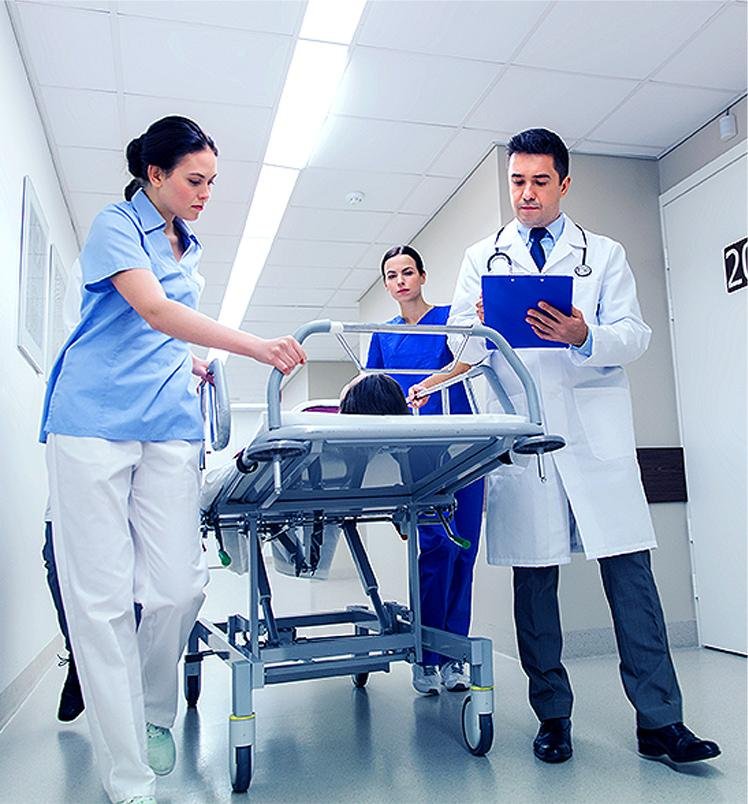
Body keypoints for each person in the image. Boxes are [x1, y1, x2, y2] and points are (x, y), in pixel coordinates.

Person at [417, 127, 720, 765]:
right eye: (517, 181)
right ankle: (552, 717)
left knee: (631, 578)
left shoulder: (601, 255)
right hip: (526, 439)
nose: (526, 194)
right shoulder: (483, 257)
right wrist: (476, 326)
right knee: (535, 585)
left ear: (564, 183)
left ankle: (661, 722)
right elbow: (461, 349)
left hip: (593, 436)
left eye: (539, 181)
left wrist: (584, 335)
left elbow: (634, 335)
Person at [40, 116, 306, 804]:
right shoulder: (115, 224)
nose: (206, 193)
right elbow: (153, 311)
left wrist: (191, 362)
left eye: (212, 181)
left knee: (179, 586)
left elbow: (159, 333)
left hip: (167, 422)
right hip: (94, 421)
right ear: (154, 175)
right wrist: (254, 346)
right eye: (194, 179)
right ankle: (129, 777)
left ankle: (153, 712)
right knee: (101, 603)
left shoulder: (189, 245)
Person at [366, 245, 484, 695]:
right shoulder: (383, 335)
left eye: (407, 272)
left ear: (422, 276)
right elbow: (374, 391)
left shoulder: (451, 319)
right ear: (386, 284)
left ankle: (454, 658)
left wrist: (430, 383)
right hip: (417, 455)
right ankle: (426, 657)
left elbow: (468, 361)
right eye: (391, 275)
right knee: (435, 550)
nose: (400, 281)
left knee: (464, 550)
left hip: (462, 447)